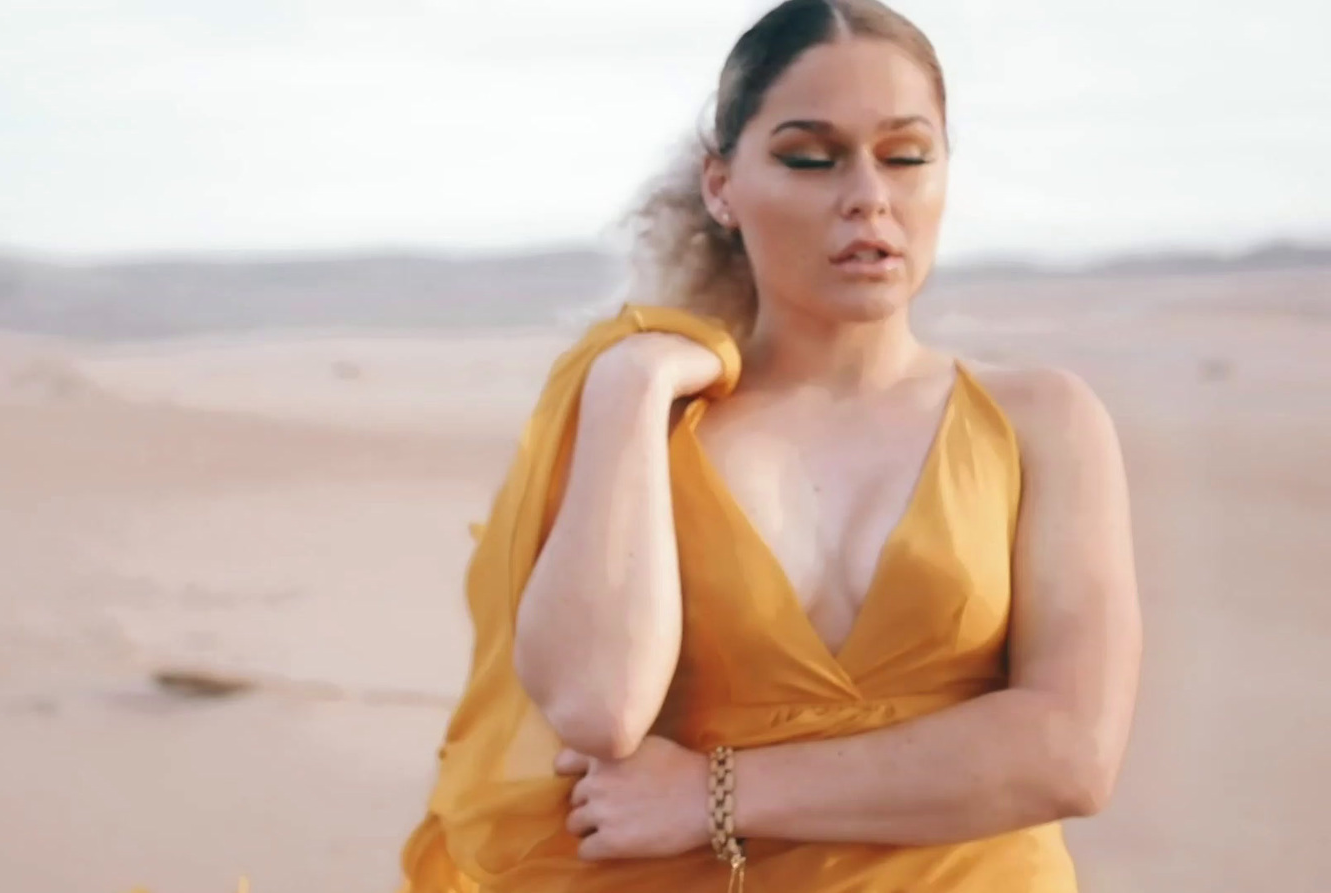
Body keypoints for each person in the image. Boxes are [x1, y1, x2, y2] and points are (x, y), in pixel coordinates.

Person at [396, 1, 1142, 890]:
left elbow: (1071, 753)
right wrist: (629, 383)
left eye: (906, 155)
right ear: (722, 186)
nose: (869, 194)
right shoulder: (653, 417)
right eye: (810, 158)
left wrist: (716, 790)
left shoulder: (1043, 421)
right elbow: (598, 707)